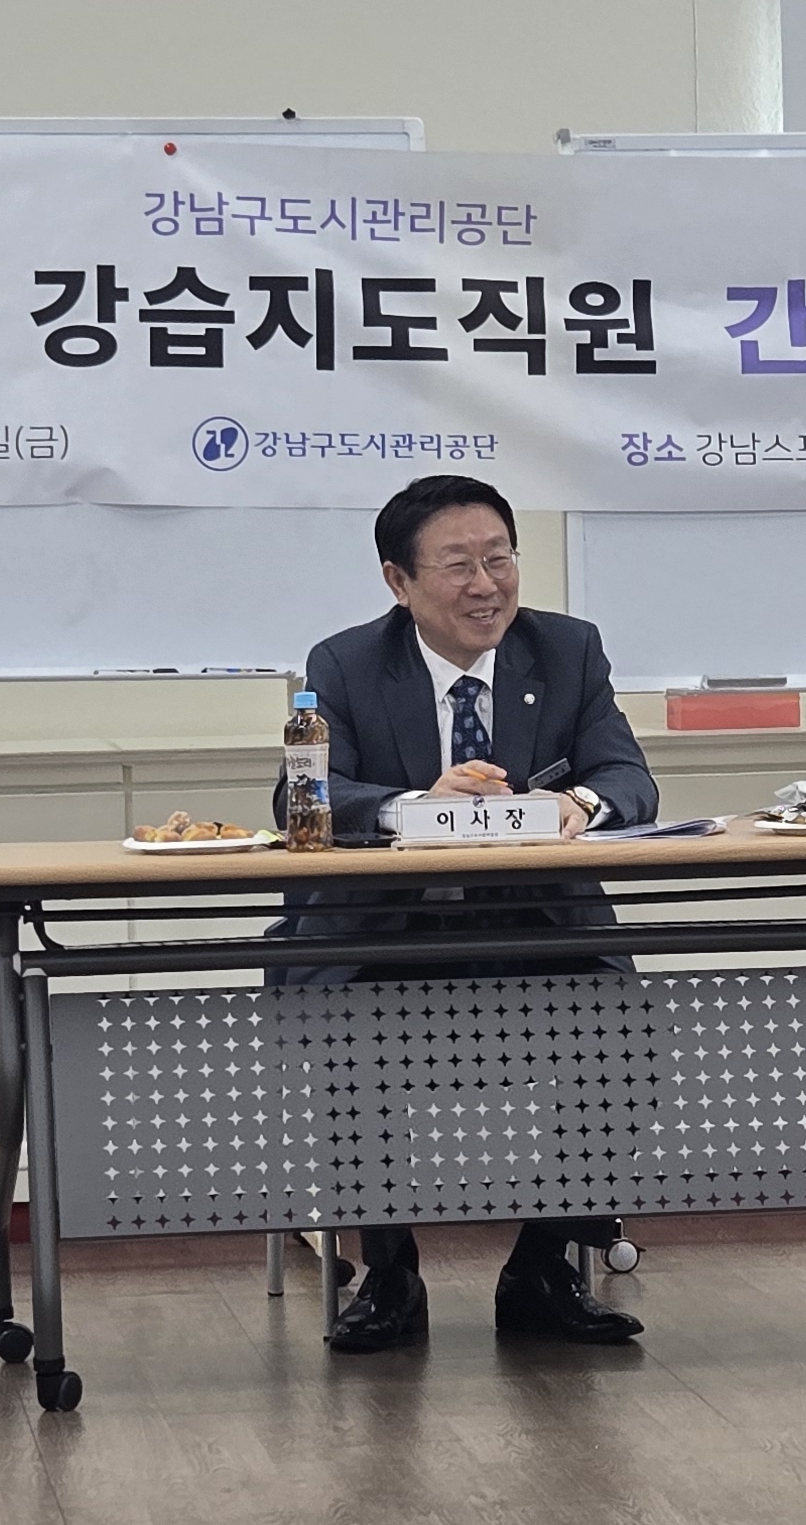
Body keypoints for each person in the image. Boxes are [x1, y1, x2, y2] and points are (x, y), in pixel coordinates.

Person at [280, 474, 662, 1354]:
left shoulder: (566, 651)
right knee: (346, 1034)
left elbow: (629, 778)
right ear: (399, 581)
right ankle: (390, 1273)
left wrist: (579, 805)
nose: (486, 585)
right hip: (389, 938)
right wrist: (417, 805)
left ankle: (543, 1266)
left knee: (626, 1028)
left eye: (500, 559)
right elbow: (304, 794)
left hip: (537, 933)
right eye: (458, 566)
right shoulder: (345, 664)